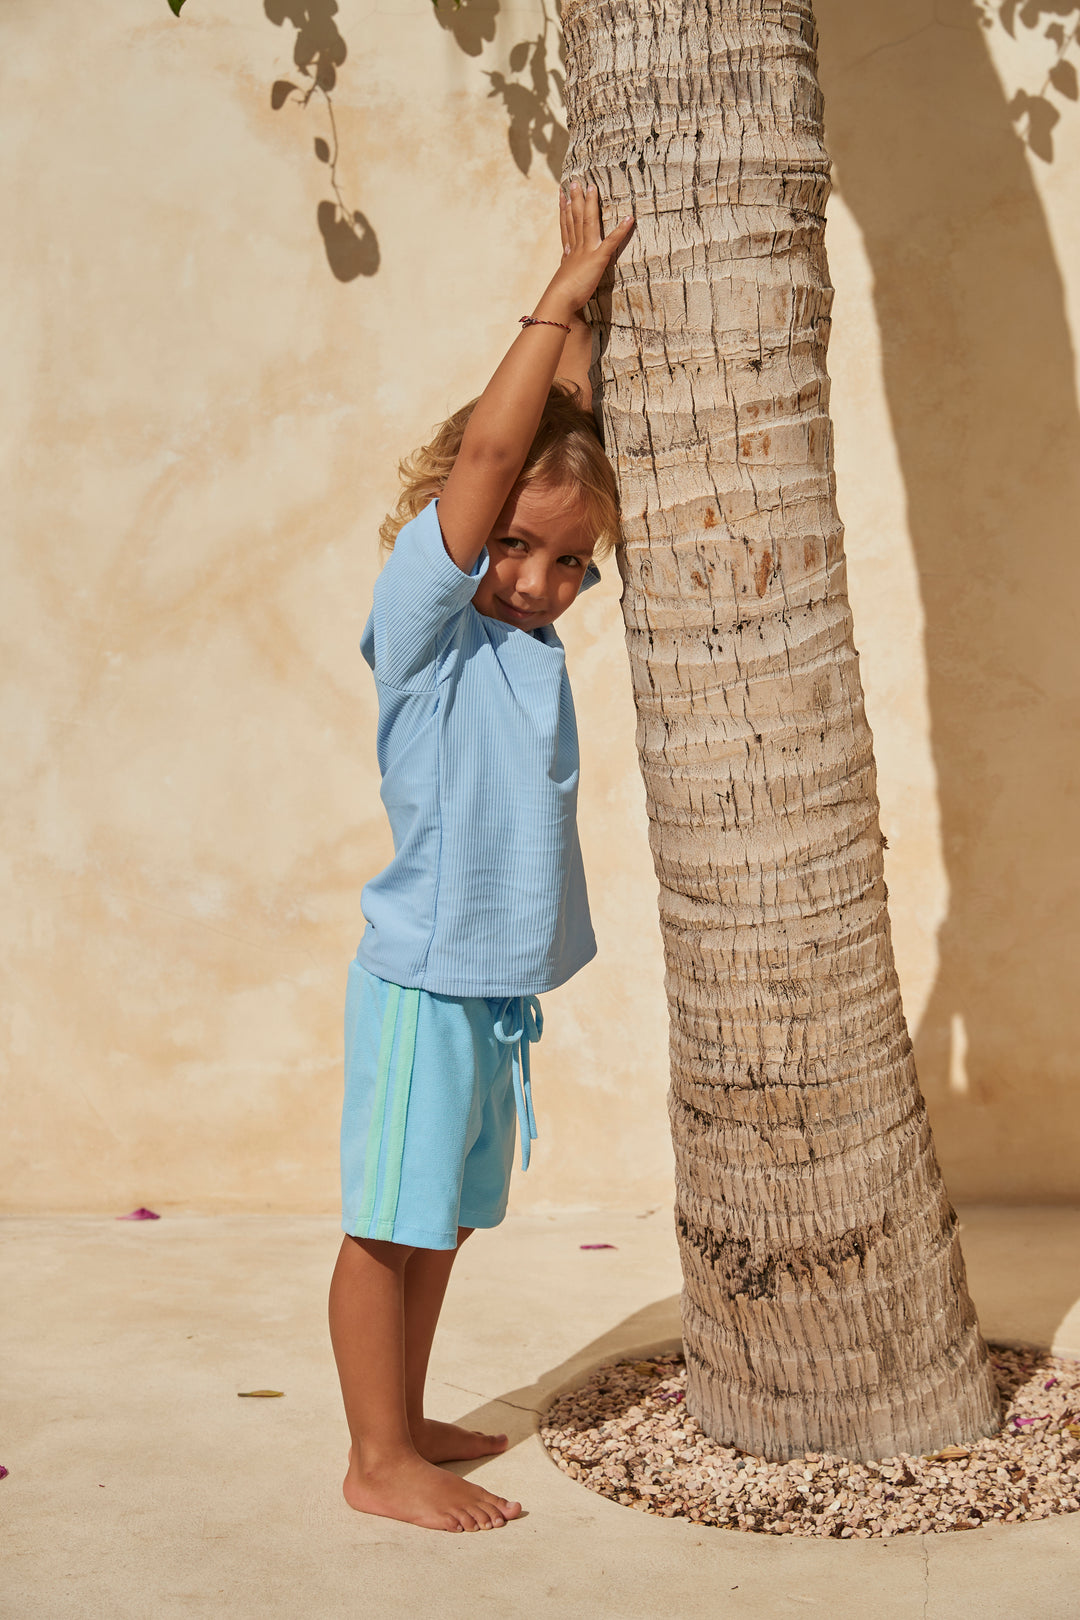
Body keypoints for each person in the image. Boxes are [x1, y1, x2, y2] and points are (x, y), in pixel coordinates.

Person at [328, 181, 635, 1534]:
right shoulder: (430, 619)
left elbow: (555, 442)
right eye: (514, 545)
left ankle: (405, 1418)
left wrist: (595, 322)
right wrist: (557, 290)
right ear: (458, 523)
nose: (536, 579)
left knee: (438, 1221)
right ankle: (371, 1456)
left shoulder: (524, 635)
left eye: (573, 564)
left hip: (487, 989)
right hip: (424, 982)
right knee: (384, 1226)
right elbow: (498, 457)